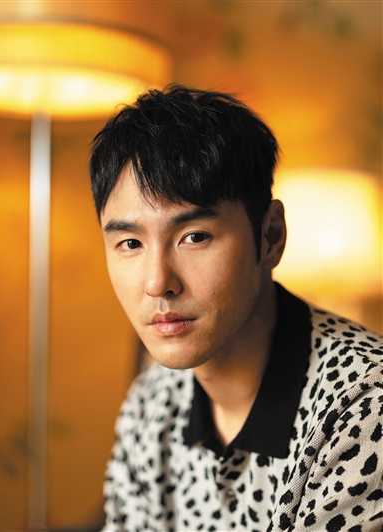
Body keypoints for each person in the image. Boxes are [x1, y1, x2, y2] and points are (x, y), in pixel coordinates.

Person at [89, 85, 383, 532]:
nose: (156, 283)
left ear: (270, 236)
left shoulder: (365, 404)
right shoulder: (151, 403)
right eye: (130, 243)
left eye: (194, 237)